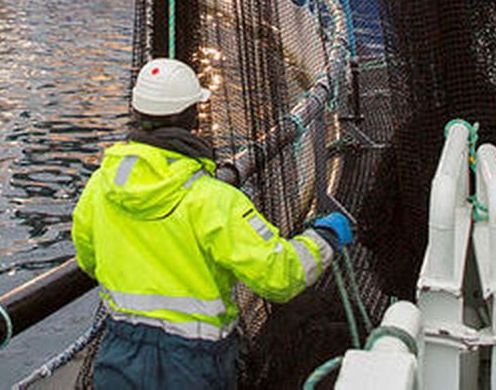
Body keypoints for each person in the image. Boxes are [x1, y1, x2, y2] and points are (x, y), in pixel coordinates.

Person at [72, 57, 354, 389]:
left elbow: (88, 260)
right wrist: (325, 237)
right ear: (192, 117)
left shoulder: (100, 188)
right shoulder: (214, 200)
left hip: (120, 357)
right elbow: (279, 275)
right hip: (195, 365)